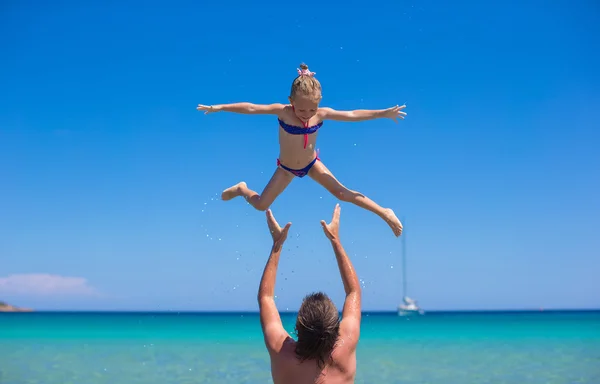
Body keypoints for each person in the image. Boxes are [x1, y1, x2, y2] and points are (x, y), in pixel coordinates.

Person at [197, 63, 405, 237]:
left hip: (312, 164)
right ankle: (242, 189)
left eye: (311, 109)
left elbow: (352, 114)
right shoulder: (283, 112)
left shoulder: (321, 114)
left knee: (342, 192)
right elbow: (250, 107)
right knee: (261, 205)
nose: (307, 114)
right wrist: (220, 107)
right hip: (286, 169)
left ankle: (384, 212)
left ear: (319, 104)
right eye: (301, 109)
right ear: (291, 102)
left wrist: (383, 113)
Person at [257, 204, 361, 383]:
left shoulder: (283, 354)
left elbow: (265, 298)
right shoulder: (346, 347)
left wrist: (277, 245)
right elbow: (353, 293)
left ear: (298, 328)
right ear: (336, 330)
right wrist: (335, 240)